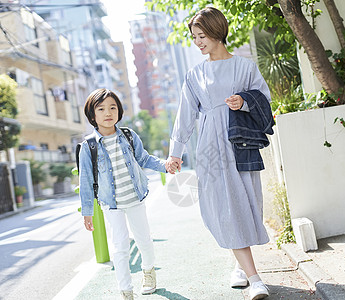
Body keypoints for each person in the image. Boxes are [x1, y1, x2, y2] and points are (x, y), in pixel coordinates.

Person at [167, 7, 272, 300]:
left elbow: (264, 98)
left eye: (202, 36)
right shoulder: (195, 74)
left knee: (246, 203)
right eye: (194, 37)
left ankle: (239, 267)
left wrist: (244, 101)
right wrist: (175, 152)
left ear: (216, 32)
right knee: (224, 206)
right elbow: (185, 115)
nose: (198, 42)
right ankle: (255, 279)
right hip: (211, 148)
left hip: (240, 145)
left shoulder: (244, 66)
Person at [79, 89, 177, 300]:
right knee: (120, 246)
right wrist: (86, 212)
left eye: (112, 107)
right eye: (101, 109)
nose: (108, 113)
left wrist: (165, 166)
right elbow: (85, 179)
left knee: (144, 241)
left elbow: (144, 159)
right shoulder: (88, 146)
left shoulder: (128, 136)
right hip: (111, 204)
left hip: (134, 197)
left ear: (119, 111)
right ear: (92, 115)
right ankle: (126, 290)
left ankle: (148, 271)